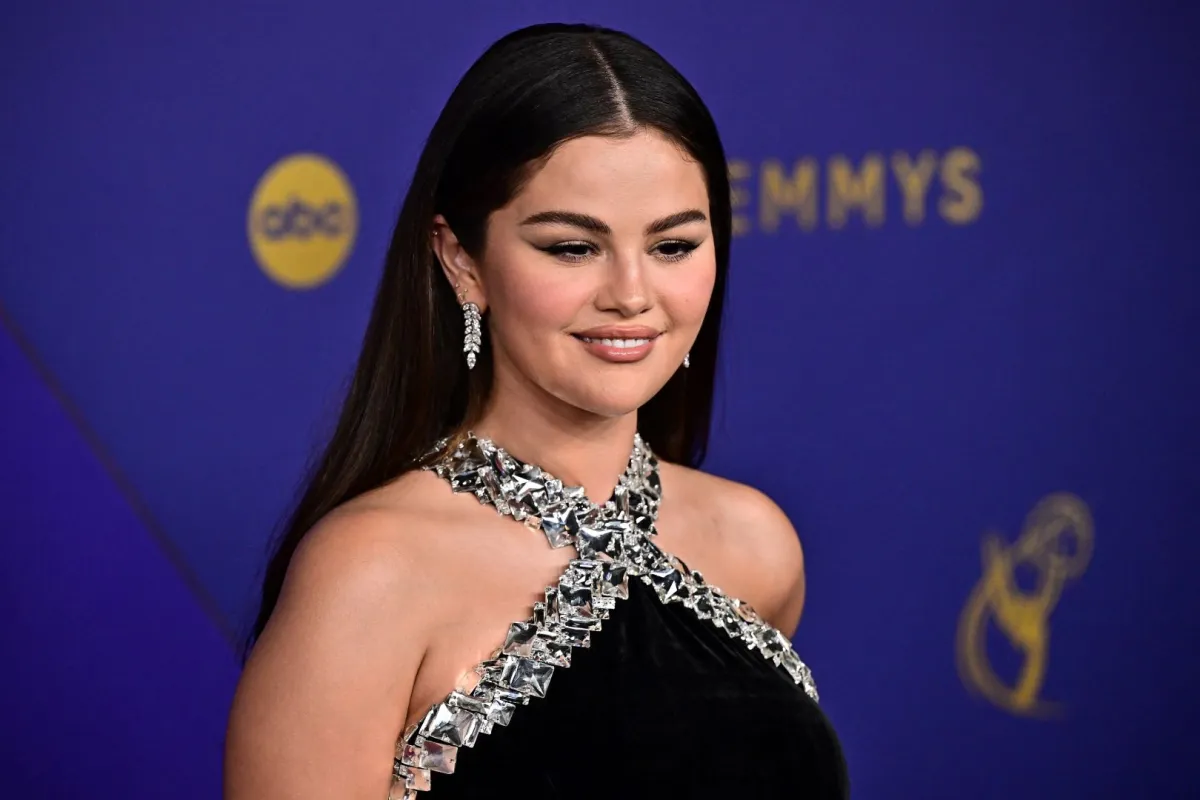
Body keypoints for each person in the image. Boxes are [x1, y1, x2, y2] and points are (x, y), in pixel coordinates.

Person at [225, 22, 849, 799]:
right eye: (571, 247)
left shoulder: (756, 546)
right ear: (462, 260)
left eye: (674, 246)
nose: (630, 294)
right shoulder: (371, 574)